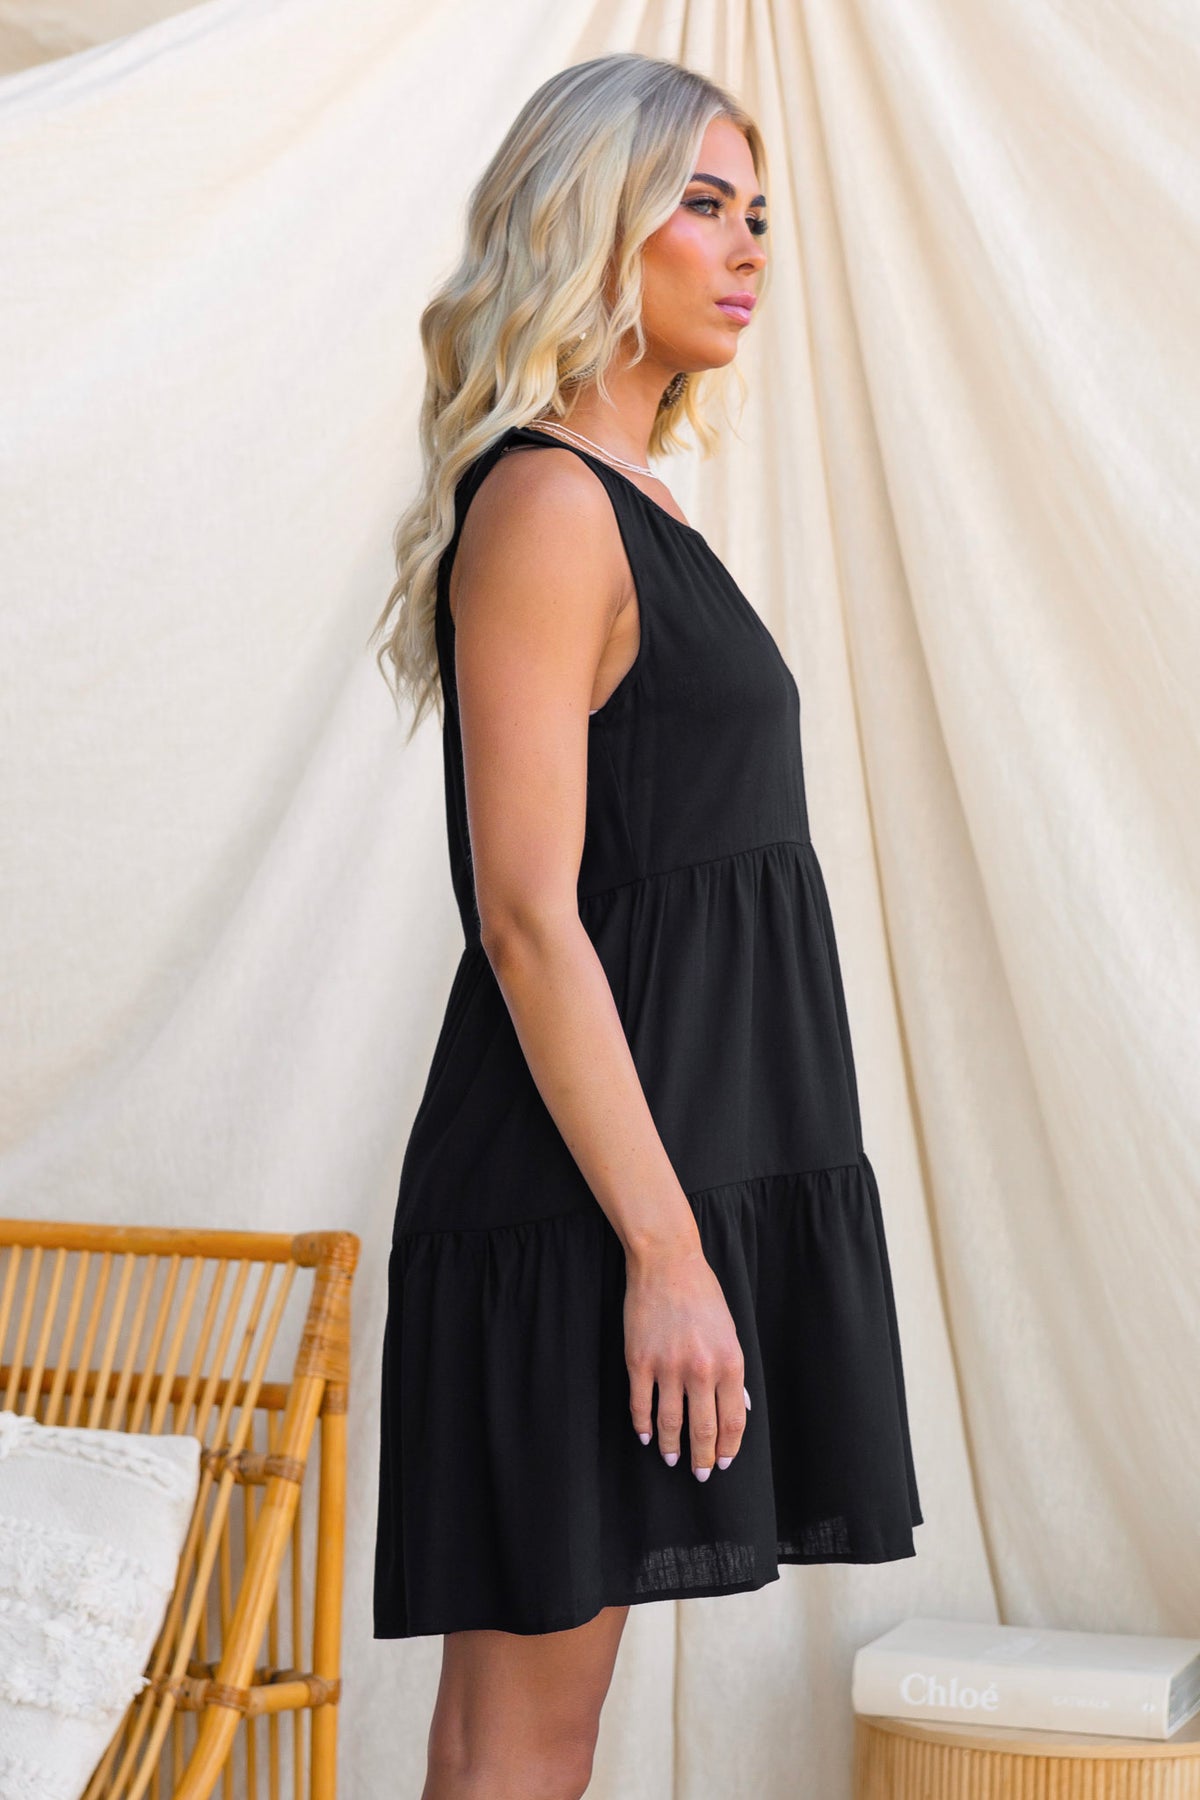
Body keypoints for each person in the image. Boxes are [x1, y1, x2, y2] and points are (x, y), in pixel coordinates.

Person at [369, 50, 922, 1800]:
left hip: (629, 1189)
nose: (747, 247)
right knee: (521, 1746)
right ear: (589, 226)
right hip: (583, 1207)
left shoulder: (634, 508)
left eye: (759, 213)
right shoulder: (548, 506)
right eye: (701, 205)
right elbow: (528, 917)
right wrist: (668, 1253)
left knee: (528, 1739)